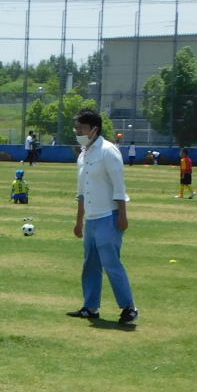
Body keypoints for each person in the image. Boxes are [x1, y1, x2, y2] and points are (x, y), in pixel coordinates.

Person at [66, 109, 139, 324]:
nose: (78, 132)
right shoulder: (83, 154)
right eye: (76, 128)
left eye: (82, 128)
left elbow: (119, 186)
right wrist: (79, 221)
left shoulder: (108, 151)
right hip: (91, 219)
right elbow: (82, 192)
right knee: (90, 265)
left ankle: (129, 307)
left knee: (111, 263)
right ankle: (90, 307)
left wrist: (122, 216)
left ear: (94, 129)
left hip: (109, 216)